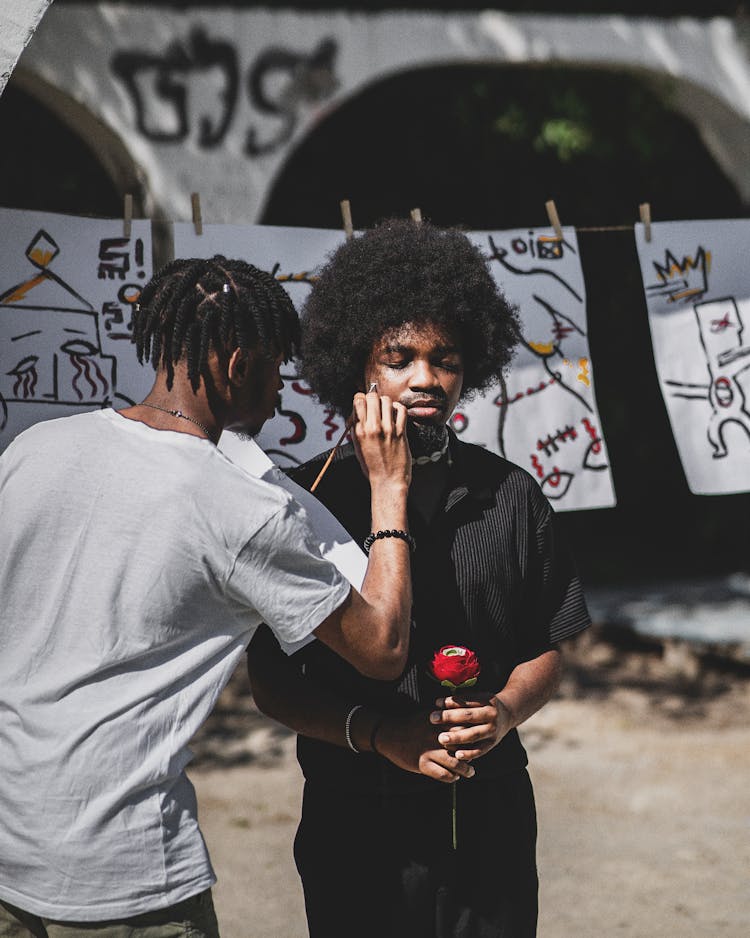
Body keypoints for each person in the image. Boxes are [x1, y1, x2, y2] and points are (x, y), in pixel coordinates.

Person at [0, 256, 414, 937]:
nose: (282, 393)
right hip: (123, 875)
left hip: (11, 844)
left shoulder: (33, 449)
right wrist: (390, 488)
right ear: (237, 364)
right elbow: (382, 649)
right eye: (277, 368)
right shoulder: (238, 508)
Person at [247, 220, 591, 938]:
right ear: (356, 368)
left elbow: (549, 645)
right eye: (398, 358)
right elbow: (273, 684)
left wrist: (502, 714)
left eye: (445, 359)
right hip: (353, 816)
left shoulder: (513, 495)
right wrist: (381, 735)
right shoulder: (305, 501)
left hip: (490, 814)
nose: (426, 380)